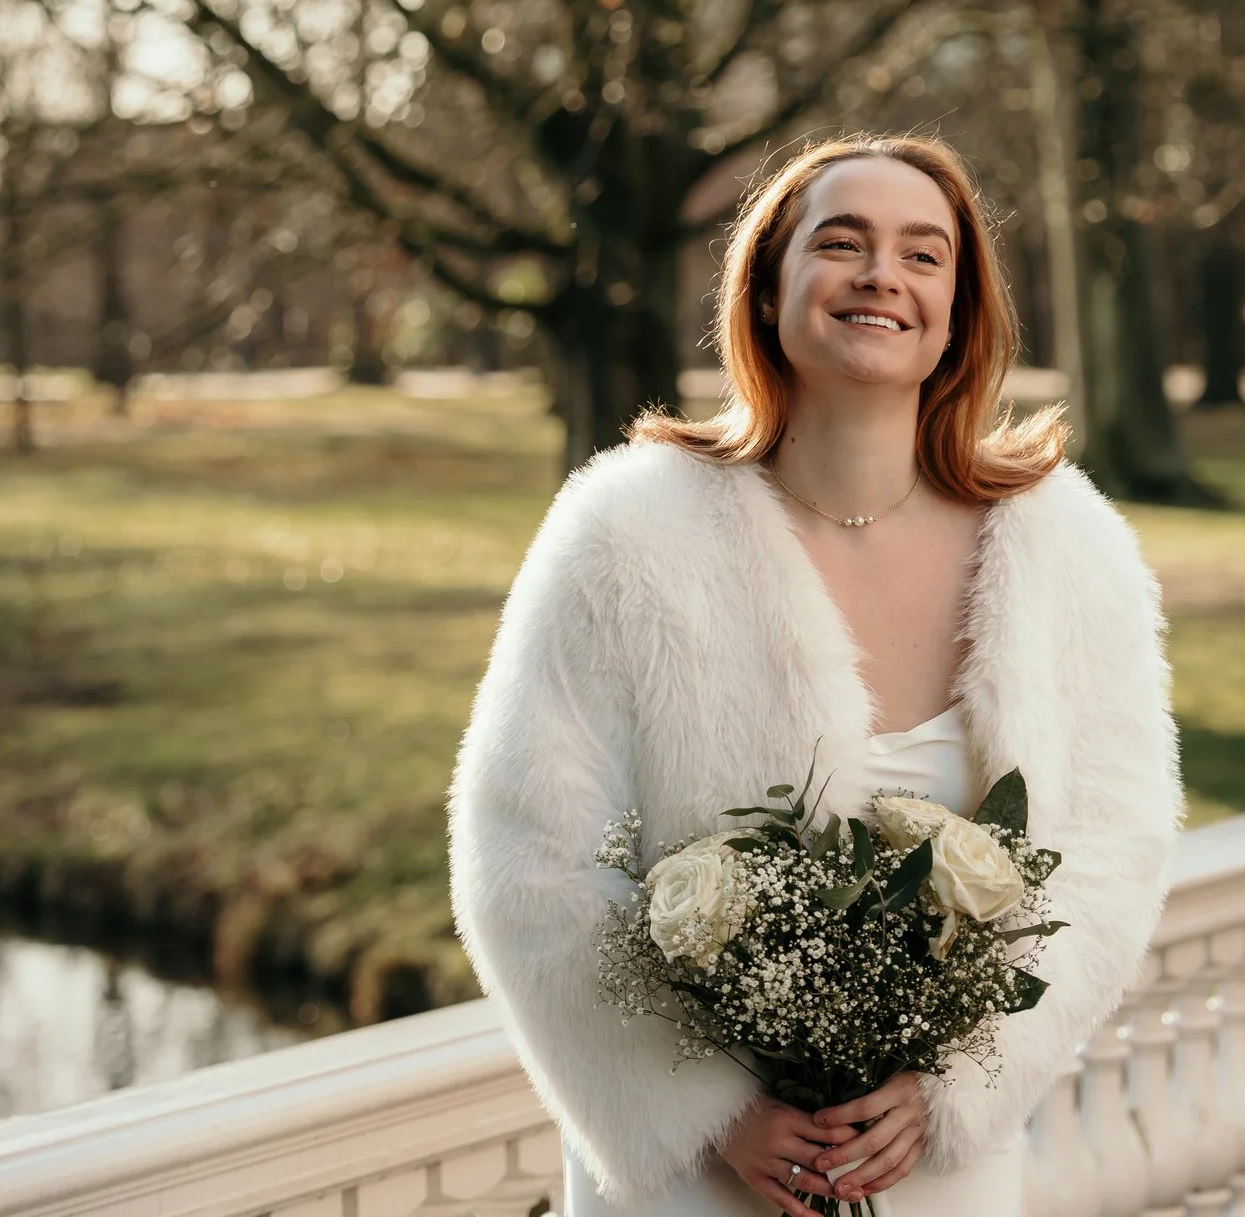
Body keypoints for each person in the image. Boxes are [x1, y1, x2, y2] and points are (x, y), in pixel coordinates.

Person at [449, 135, 1180, 1216]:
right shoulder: (623, 534)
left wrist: (953, 1086)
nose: (883, 273)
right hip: (697, 1175)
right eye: (842, 242)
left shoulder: (1068, 549)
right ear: (767, 288)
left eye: (924, 254)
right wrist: (705, 1113)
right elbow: (526, 852)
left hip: (935, 1164)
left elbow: (1116, 847)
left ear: (959, 311)